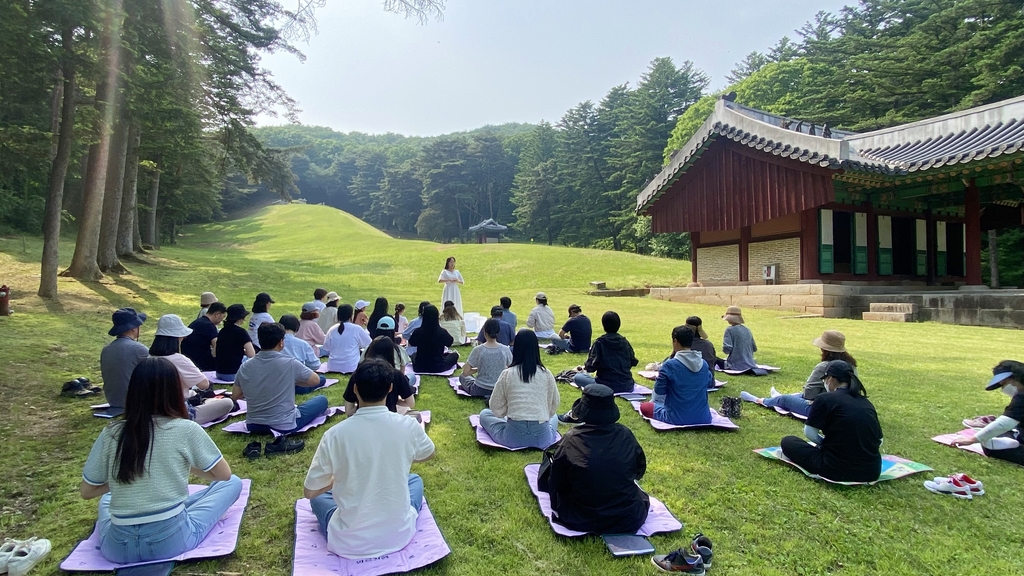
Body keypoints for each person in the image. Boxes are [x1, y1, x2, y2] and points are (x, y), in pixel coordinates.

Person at [80, 357, 243, 564]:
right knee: (234, 483)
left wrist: (125, 480)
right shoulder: (186, 429)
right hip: (172, 541)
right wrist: (179, 466)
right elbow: (224, 475)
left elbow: (87, 491)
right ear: (175, 390)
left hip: (118, 548)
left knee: (107, 500)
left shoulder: (111, 433)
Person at [303, 359, 435, 559]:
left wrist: (340, 478)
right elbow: (428, 453)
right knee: (414, 481)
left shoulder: (335, 434)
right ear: (391, 389)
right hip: (398, 534)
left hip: (349, 541)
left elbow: (311, 490)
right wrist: (395, 460)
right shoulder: (407, 425)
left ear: (355, 389)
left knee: (319, 498)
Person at [542, 384, 649, 534]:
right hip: (627, 517)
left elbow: (557, 481)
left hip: (582, 517)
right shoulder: (626, 435)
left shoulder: (571, 440)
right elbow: (639, 470)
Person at [780, 360, 883, 482]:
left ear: (830, 378)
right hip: (872, 471)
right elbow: (879, 440)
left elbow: (810, 433)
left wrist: (823, 443)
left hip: (835, 469)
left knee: (788, 441)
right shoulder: (866, 403)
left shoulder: (824, 398)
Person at [233, 323, 328, 441]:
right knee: (322, 400)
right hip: (284, 424)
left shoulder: (245, 366)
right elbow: (315, 380)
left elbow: (235, 395)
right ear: (281, 342)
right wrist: (292, 382)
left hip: (254, 423)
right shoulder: (290, 363)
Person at [740, 330, 856, 417]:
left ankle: (760, 400)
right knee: (795, 396)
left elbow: (808, 394)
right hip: (845, 405)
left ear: (824, 349)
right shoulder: (851, 365)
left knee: (786, 399)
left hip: (821, 408)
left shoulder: (824, 366)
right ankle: (777, 398)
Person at [478, 330, 560, 449]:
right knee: (554, 417)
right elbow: (554, 405)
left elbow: (495, 407)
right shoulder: (546, 373)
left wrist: (509, 414)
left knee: (484, 414)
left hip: (513, 436)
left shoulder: (507, 374)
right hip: (542, 438)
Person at [149, 315, 233, 426]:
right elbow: (204, 384)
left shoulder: (148, 358)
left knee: (192, 393)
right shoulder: (179, 359)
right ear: (177, 337)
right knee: (227, 403)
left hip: (151, 412)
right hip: (179, 413)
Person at [950, 360, 1024, 467]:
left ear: (1014, 378)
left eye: (1003, 383)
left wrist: (972, 439)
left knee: (990, 447)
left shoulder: (1022, 397)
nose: (1003, 388)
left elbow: (1005, 423)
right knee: (994, 435)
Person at [639, 326, 713, 426]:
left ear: (675, 341)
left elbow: (659, 391)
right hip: (704, 417)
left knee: (645, 407)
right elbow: (709, 382)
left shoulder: (670, 365)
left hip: (676, 417)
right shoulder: (703, 364)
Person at [570, 311, 638, 395]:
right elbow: (633, 361)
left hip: (605, 385)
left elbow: (590, 367)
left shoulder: (599, 343)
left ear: (604, 325)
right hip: (627, 385)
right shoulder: (625, 342)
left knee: (578, 377)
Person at [345, 338, 416, 415]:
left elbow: (349, 410)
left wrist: (362, 405)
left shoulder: (357, 374)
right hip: (389, 420)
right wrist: (395, 400)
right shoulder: (397, 375)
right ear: (390, 387)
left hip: (361, 419)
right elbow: (410, 403)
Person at [100, 308, 149, 413]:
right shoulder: (138, 349)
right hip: (135, 401)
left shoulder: (106, 349)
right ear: (134, 328)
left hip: (113, 400)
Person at [460, 319, 513, 399]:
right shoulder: (505, 350)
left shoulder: (478, 350)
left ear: (484, 332)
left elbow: (465, 372)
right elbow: (512, 370)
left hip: (479, 389)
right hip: (499, 388)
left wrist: (478, 369)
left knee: (462, 376)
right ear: (498, 332)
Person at [279, 314, 327, 392]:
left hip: (278, 382)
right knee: (320, 379)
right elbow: (315, 364)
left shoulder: (274, 343)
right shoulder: (302, 344)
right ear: (297, 328)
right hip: (297, 383)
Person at [321, 305, 372, 374]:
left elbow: (326, 347)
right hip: (351, 367)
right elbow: (369, 344)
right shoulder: (356, 329)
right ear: (351, 315)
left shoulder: (332, 329)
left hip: (333, 366)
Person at [408, 305, 459, 373]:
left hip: (420, 366)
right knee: (455, 355)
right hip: (438, 366)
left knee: (414, 355)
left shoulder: (418, 331)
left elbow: (411, 342)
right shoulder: (441, 332)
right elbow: (450, 342)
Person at [214, 304, 256, 383]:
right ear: (241, 318)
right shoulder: (241, 332)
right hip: (233, 374)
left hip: (219, 373)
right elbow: (251, 354)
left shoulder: (222, 331)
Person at [182, 302, 227, 371]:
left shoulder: (197, 322)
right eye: (223, 317)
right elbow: (218, 346)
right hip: (199, 362)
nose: (222, 320)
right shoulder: (209, 326)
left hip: (188, 358)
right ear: (217, 314)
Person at [722, 306, 757, 372]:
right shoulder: (747, 330)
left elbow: (727, 349)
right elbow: (754, 348)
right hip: (750, 363)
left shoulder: (729, 330)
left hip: (735, 365)